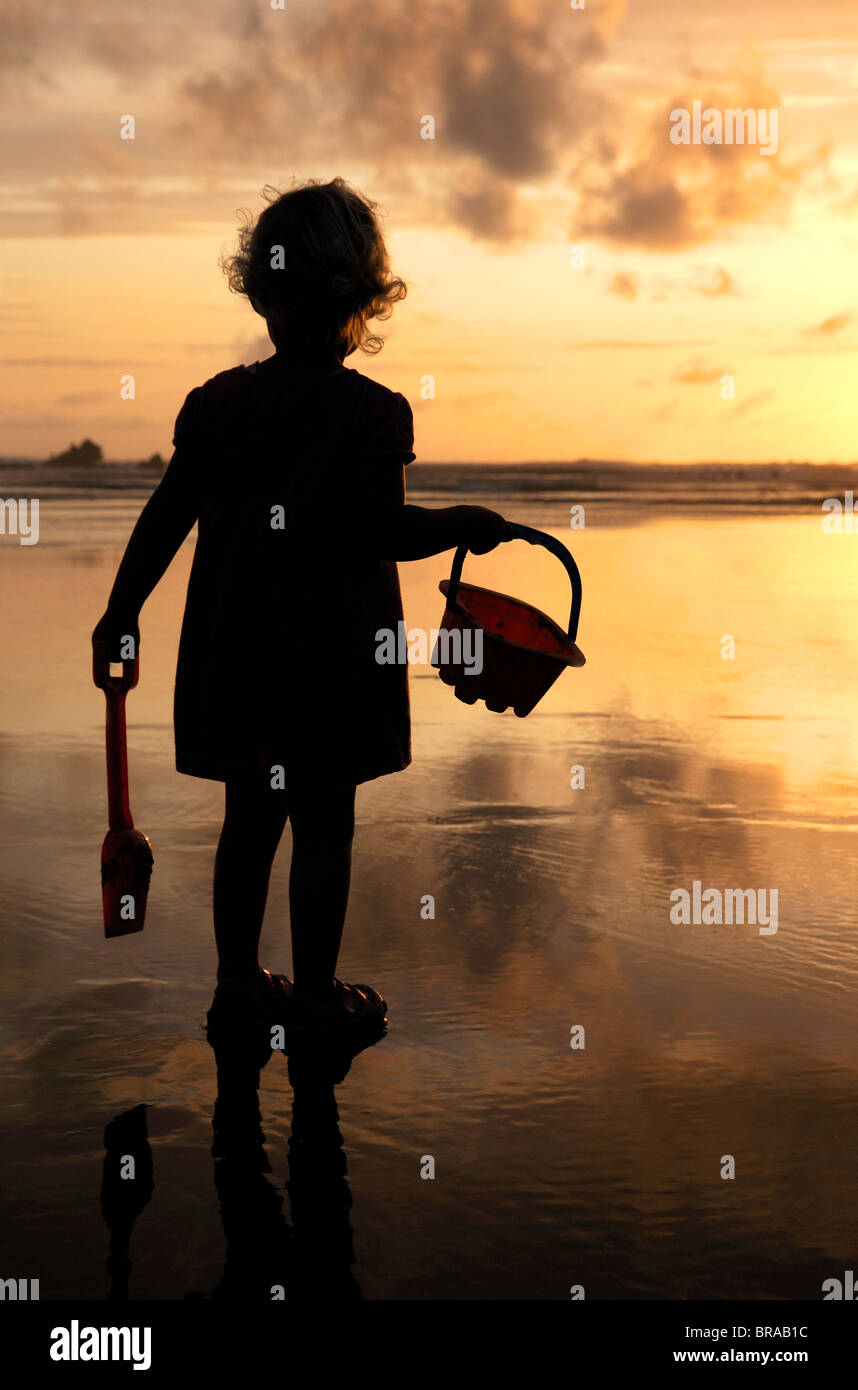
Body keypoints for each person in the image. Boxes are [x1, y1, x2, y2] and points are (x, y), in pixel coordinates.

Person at [92, 177, 511, 1056]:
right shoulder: (369, 414)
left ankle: (239, 986)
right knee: (325, 823)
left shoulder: (219, 405)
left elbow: (167, 516)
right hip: (334, 665)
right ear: (363, 299)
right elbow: (382, 531)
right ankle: (317, 997)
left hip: (236, 658)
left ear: (261, 289)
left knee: (251, 821)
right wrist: (461, 526)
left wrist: (121, 612)